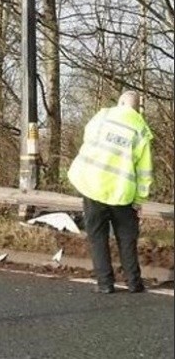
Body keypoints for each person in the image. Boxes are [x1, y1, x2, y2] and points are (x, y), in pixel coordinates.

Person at [67, 90, 153, 294]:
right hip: (122, 192)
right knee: (127, 238)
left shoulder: (102, 116)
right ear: (137, 108)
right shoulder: (141, 129)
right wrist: (139, 199)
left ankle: (105, 283)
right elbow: (145, 170)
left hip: (93, 185)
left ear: (120, 102)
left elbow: (88, 139)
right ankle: (134, 282)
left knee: (97, 237)